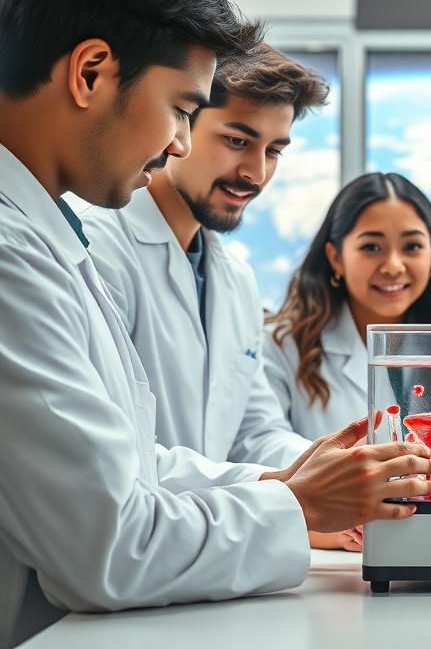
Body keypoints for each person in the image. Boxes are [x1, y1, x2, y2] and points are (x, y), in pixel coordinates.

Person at [0, 0, 431, 648]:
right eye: (183, 112)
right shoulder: (18, 252)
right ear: (90, 72)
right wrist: (295, 505)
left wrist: (294, 484)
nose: (177, 143)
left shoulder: (52, 238)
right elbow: (108, 549)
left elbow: (139, 459)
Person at [82, 44, 326, 468]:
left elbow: (254, 433)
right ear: (180, 126)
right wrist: (290, 495)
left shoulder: (236, 281)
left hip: (212, 526)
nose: (257, 173)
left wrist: (336, 466)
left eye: (273, 151)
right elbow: (109, 452)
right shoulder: (99, 249)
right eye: (237, 141)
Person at [264, 172, 431, 440]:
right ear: (336, 258)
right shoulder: (281, 345)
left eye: (413, 246)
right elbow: (262, 441)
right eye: (371, 247)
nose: (393, 266)